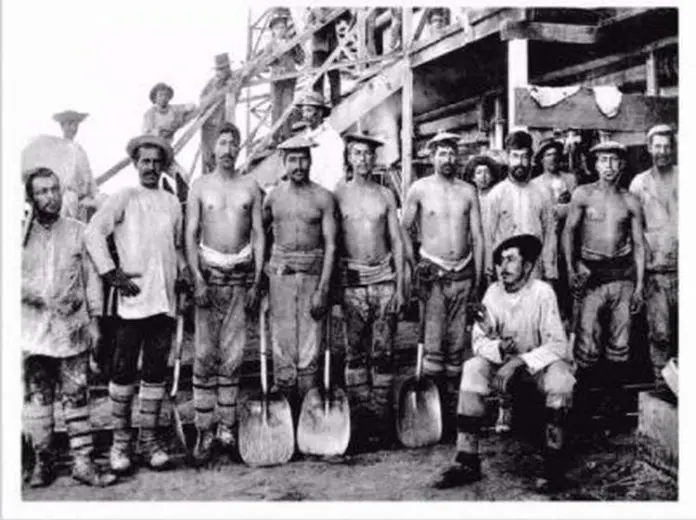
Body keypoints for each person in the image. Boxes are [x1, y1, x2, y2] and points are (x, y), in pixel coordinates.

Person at [434, 234, 575, 492]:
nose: (503, 267)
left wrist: (520, 361)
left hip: (535, 368)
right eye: (499, 261)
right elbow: (478, 342)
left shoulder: (542, 293)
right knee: (473, 368)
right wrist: (498, 347)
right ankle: (467, 459)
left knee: (562, 378)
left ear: (528, 266)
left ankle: (554, 464)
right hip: (503, 368)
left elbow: (558, 345)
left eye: (511, 260)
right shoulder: (493, 293)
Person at [85, 135, 190, 474]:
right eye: (144, 161)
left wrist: (184, 274)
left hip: (163, 301)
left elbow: (176, 247)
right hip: (132, 300)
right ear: (135, 164)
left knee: (156, 370)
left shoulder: (171, 203)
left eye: (156, 161)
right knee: (123, 370)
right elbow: (92, 233)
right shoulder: (124, 197)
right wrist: (111, 272)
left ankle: (149, 441)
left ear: (163, 166)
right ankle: (120, 444)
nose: (150, 167)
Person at [21, 168, 117, 488]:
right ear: (31, 198)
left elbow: (92, 281)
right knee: (39, 398)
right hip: (33, 333)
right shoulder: (19, 235)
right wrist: (34, 297)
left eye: (54, 189)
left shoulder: (78, 231)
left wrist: (96, 322)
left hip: (72, 328)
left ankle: (83, 462)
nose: (50, 197)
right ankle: (42, 462)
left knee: (76, 395)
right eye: (42, 192)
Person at [185, 123, 265, 465]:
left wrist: (258, 279)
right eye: (223, 143)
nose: (229, 149)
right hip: (209, 280)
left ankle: (227, 430)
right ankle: (204, 430)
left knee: (233, 358)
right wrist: (197, 280)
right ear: (212, 149)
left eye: (234, 143)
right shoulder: (200, 186)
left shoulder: (251, 186)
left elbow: (260, 234)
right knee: (204, 357)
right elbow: (189, 235)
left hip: (240, 281)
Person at [402, 130, 484, 441]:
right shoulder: (419, 189)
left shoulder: (468, 191)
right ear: (431, 155)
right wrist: (415, 266)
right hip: (433, 274)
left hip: (463, 273)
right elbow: (403, 231)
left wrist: (480, 274)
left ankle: (451, 414)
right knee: (432, 348)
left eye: (452, 152)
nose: (448, 159)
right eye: (442, 153)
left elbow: (477, 236)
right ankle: (430, 410)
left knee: (456, 349)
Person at [563, 141, 645, 427]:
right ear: (595, 164)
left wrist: (639, 285)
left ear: (622, 165)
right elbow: (569, 232)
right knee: (586, 340)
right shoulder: (583, 195)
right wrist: (572, 268)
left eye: (614, 160)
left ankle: (614, 408)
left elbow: (638, 244)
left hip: (621, 276)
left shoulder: (630, 200)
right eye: (603, 160)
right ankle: (584, 406)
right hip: (591, 276)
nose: (609, 166)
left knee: (620, 342)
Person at [334, 132, 405, 450]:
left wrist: (402, 285)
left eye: (367, 154)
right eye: (357, 153)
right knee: (355, 354)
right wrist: (335, 291)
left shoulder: (386, 195)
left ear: (374, 159)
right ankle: (359, 421)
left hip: (385, 281)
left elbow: (398, 242)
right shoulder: (337, 195)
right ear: (349, 158)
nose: (363, 159)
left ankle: (381, 419)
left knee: (384, 354)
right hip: (353, 283)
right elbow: (332, 245)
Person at [263, 134, 337, 419]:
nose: (299, 164)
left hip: (312, 278)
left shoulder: (323, 197)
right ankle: (285, 418)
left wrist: (323, 289)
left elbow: (331, 245)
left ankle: (308, 418)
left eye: (304, 158)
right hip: (280, 278)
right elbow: (259, 234)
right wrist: (261, 275)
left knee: (309, 351)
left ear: (311, 160)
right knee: (282, 348)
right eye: (293, 159)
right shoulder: (274, 196)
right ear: (283, 162)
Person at [629, 124, 678, 389]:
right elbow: (634, 231)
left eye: (667, 146)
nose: (662, 151)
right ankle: (662, 386)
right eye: (657, 146)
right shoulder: (639, 184)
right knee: (660, 334)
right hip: (656, 273)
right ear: (649, 149)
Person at [486, 130, 556, 283]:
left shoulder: (542, 192)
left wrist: (550, 273)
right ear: (507, 157)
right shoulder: (497, 194)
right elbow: (488, 237)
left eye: (525, 156)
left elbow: (549, 235)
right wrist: (489, 272)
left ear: (531, 158)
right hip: (505, 271)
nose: (520, 162)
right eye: (515, 156)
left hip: (534, 271)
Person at [531, 138, 578, 322]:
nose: (552, 158)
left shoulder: (570, 179)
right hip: (546, 239)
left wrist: (563, 209)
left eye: (555, 154)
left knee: (569, 279)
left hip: (568, 236)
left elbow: (577, 208)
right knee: (548, 281)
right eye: (548, 155)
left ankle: (569, 323)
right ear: (541, 159)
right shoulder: (534, 184)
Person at [142, 82, 197, 203]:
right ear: (155, 98)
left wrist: (179, 119)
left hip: (166, 153)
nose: (163, 98)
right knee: (150, 184)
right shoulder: (149, 114)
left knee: (183, 176)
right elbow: (146, 134)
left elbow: (191, 106)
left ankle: (181, 201)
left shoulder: (173, 110)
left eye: (166, 95)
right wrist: (160, 131)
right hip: (153, 154)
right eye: (160, 95)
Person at [199, 53, 249, 173]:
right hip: (210, 126)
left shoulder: (233, 77)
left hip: (225, 122)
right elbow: (203, 101)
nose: (223, 71)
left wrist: (242, 76)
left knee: (226, 151)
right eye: (220, 69)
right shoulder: (212, 83)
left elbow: (244, 73)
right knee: (210, 156)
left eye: (225, 68)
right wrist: (220, 90)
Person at [263, 8, 305, 143]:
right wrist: (273, 58)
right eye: (278, 28)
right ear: (273, 30)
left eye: (283, 27)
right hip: (276, 80)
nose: (281, 30)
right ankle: (275, 137)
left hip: (290, 79)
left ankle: (286, 135)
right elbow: (265, 63)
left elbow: (301, 59)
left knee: (288, 107)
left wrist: (296, 48)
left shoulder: (291, 42)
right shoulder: (269, 45)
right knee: (276, 108)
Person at [51, 110, 98, 221]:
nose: (73, 128)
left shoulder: (80, 150)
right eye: (70, 124)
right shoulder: (57, 149)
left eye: (76, 125)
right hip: (66, 198)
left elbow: (88, 174)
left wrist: (93, 193)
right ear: (62, 126)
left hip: (83, 199)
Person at [294, 90, 345, 192]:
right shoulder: (305, 137)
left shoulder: (332, 139)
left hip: (324, 193)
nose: (304, 115)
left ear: (320, 112)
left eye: (309, 110)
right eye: (303, 111)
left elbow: (336, 175)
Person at [307, 8, 341, 108]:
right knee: (318, 78)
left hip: (332, 47)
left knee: (334, 76)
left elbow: (343, 16)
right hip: (319, 48)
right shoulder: (314, 10)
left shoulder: (331, 7)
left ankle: (336, 102)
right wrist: (317, 24)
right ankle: (318, 104)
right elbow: (308, 27)